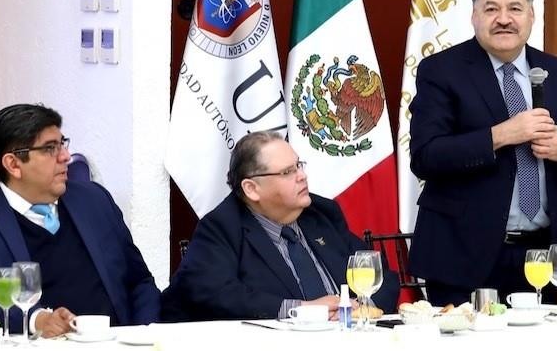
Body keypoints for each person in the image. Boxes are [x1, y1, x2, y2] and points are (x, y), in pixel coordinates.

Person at [408, 0, 557, 306]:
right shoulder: (441, 70)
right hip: (463, 256)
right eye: (491, 9)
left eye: (514, 9)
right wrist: (500, 135)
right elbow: (425, 156)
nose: (503, 20)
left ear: (531, 15)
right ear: (474, 17)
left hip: (540, 257)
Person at [0, 104, 160, 336]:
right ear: (13, 164)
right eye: (50, 148)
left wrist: (143, 333)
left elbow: (140, 282)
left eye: (62, 144)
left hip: (116, 349)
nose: (65, 156)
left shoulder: (94, 200)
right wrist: (38, 320)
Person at [161, 131, 399, 321]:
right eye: (287, 172)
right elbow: (214, 294)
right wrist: (304, 311)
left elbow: (381, 275)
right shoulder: (221, 228)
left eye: (299, 165)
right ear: (252, 189)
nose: (302, 176)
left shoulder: (321, 214)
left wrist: (361, 309)